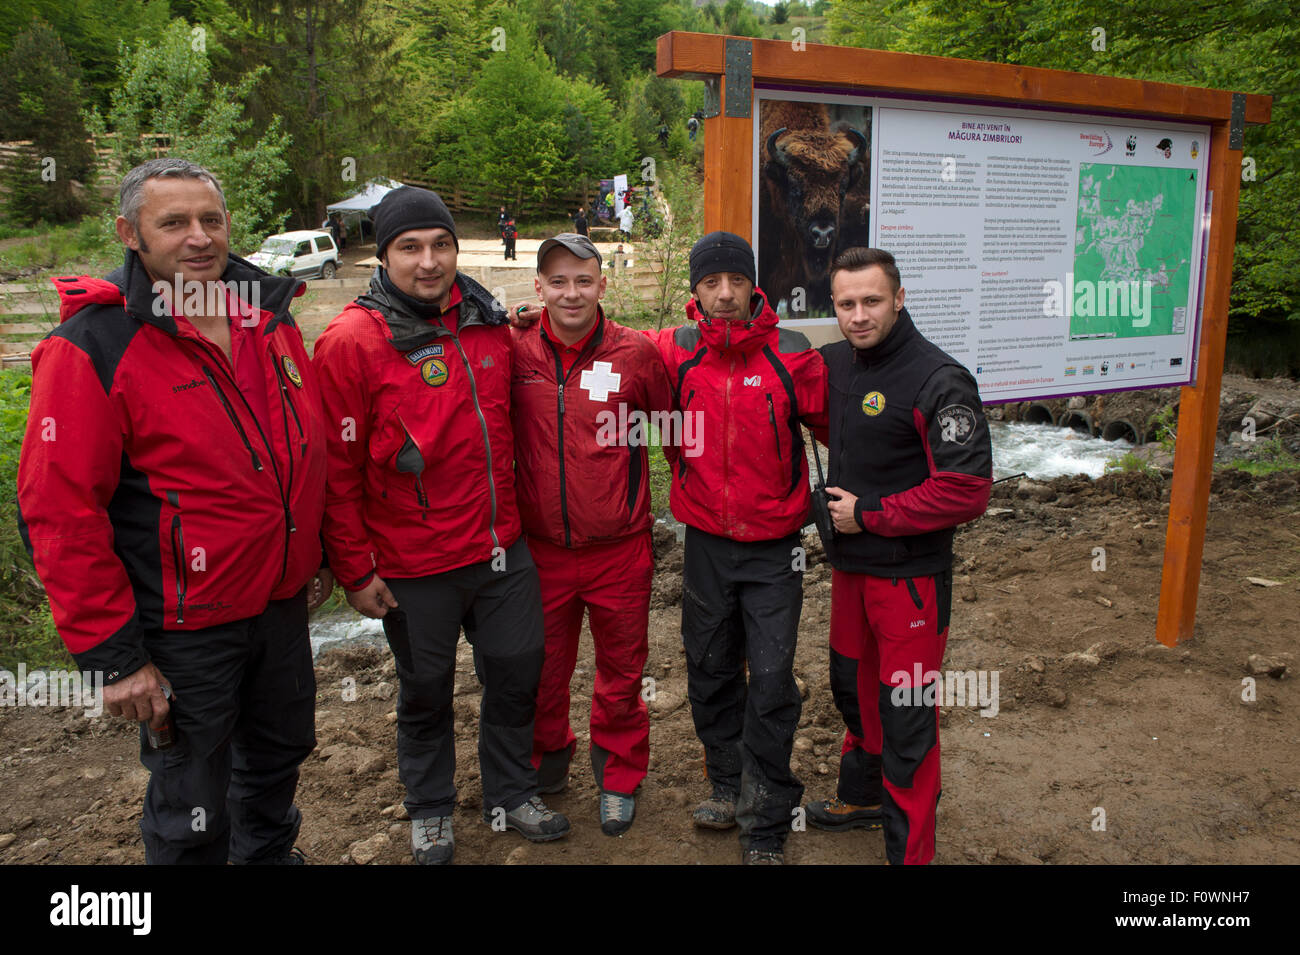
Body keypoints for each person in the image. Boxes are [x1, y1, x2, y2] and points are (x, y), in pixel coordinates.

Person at [17, 156, 332, 865]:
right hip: (185, 625)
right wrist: (115, 658)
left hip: (279, 604)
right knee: (191, 800)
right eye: (175, 222)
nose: (198, 237)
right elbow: (59, 511)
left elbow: (307, 451)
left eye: (211, 219)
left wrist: (316, 559)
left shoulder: (267, 320)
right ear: (131, 233)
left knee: (279, 756)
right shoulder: (92, 347)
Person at [312, 186, 568, 866]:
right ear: (382, 253)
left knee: (518, 672)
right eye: (411, 247)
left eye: (442, 244)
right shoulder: (349, 342)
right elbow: (334, 471)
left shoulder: (486, 321)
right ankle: (429, 807)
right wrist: (354, 568)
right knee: (425, 690)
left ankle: (511, 790)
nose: (430, 261)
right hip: (411, 561)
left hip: (500, 547)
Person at [805, 247, 992, 865]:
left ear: (900, 298)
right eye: (846, 304)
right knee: (854, 694)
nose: (859, 315)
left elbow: (966, 490)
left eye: (872, 301)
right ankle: (862, 798)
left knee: (907, 721)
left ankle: (911, 856)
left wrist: (868, 514)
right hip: (852, 574)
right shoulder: (835, 363)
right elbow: (748, 350)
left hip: (910, 580)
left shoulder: (940, 379)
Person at [510, 234, 674, 835]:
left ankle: (619, 776)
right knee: (541, 671)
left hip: (619, 549)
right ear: (538, 289)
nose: (570, 293)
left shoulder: (635, 354)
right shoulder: (513, 348)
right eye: (558, 282)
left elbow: (672, 433)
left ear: (603, 286)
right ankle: (548, 763)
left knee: (622, 673)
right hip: (541, 551)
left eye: (583, 280)